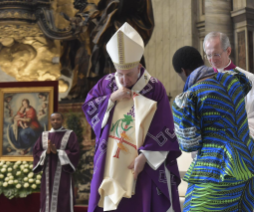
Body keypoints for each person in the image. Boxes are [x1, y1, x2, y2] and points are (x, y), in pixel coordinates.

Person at [83, 22, 181, 212]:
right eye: (120, 74)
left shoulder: (154, 88)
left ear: (139, 66)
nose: (124, 80)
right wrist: (111, 98)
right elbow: (89, 107)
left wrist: (145, 156)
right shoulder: (106, 84)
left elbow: (164, 127)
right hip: (110, 163)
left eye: (129, 74)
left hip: (143, 166)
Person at [172, 46, 254, 211]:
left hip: (217, 169)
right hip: (248, 161)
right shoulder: (236, 80)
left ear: (183, 71)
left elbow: (188, 144)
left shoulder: (188, 99)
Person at [203, 32, 254, 138]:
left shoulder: (249, 79)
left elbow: (252, 117)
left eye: (216, 54)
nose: (212, 59)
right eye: (208, 55)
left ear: (228, 51)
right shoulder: (202, 82)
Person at [33, 112, 80, 212]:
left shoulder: (69, 134)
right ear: (50, 121)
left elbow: (75, 152)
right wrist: (47, 151)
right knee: (47, 197)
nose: (55, 121)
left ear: (62, 120)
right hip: (47, 173)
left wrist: (58, 151)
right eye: (53, 119)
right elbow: (36, 151)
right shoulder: (44, 135)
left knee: (63, 197)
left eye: (58, 119)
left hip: (63, 174)